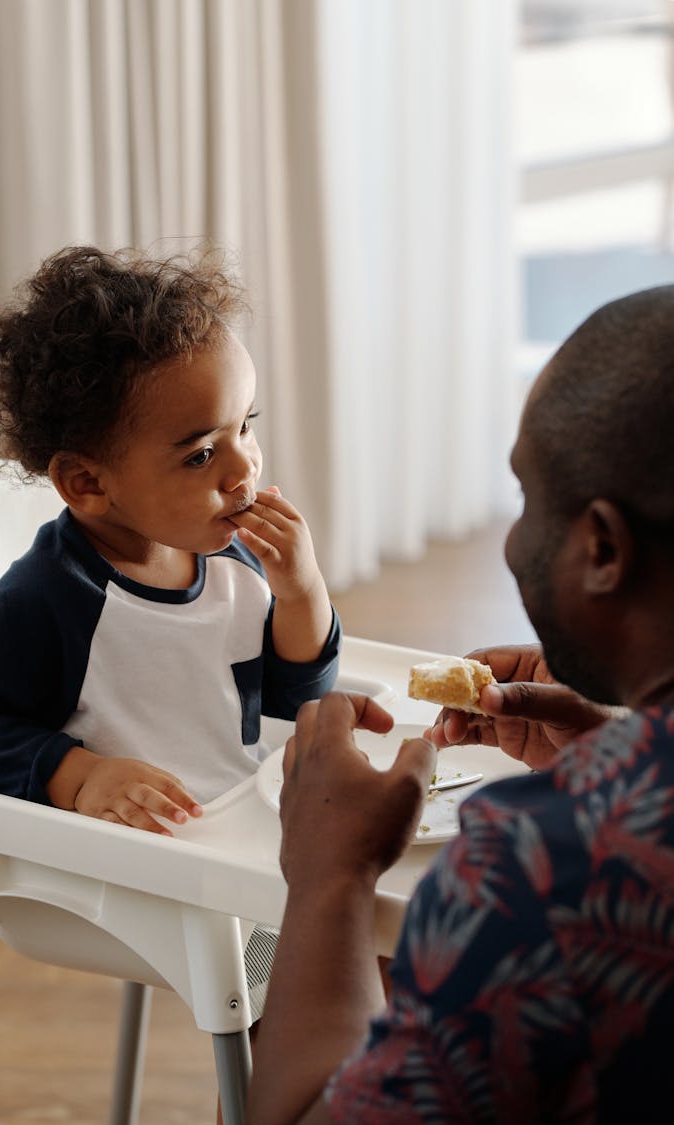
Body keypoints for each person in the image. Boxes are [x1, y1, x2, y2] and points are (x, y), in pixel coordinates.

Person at [246, 285, 674, 1123]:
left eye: (524, 498)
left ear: (602, 547)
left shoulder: (540, 865)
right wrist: (621, 745)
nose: (513, 540)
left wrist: (330, 878)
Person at [0, 243, 341, 1032]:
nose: (244, 471)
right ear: (87, 483)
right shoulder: (46, 601)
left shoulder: (237, 557)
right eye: (200, 453)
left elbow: (294, 704)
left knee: (383, 936)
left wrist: (303, 593)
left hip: (245, 841)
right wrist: (79, 775)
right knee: (304, 996)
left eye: (245, 426)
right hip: (136, 876)